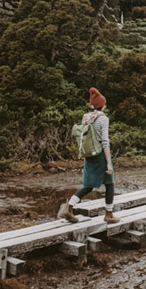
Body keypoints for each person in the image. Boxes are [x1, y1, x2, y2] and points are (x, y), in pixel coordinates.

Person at [58, 87, 120, 224]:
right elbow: (105, 142)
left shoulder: (86, 117)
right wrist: (109, 163)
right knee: (109, 183)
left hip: (89, 156)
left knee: (88, 186)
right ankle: (109, 214)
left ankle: (68, 207)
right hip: (100, 156)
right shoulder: (103, 119)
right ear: (102, 105)